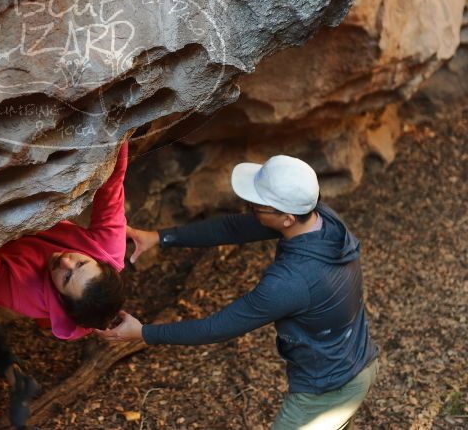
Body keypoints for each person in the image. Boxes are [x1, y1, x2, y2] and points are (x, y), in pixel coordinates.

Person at [98, 155, 379, 430]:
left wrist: (144, 333)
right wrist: (160, 237)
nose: (251, 206)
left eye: (259, 205)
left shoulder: (289, 282)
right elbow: (232, 228)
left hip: (328, 391)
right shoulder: (322, 220)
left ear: (287, 219)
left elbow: (215, 327)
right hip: (356, 363)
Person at [0, 142, 128, 429]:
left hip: (7, 255)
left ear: (59, 297)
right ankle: (14, 375)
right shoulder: (108, 248)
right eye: (81, 264)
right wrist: (120, 129)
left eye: (67, 278)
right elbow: (113, 183)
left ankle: (11, 369)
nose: (66, 263)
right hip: (36, 240)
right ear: (98, 262)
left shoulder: (21, 289)